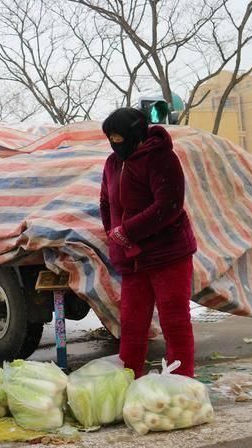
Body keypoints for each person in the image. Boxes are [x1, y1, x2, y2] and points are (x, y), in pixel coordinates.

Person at [99, 107, 197, 378]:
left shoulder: (161, 158)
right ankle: (128, 380)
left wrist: (128, 231)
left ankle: (181, 382)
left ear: (135, 134)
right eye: (110, 139)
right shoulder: (112, 163)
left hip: (168, 254)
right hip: (132, 259)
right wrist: (114, 233)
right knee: (132, 323)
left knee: (174, 320)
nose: (115, 144)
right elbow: (106, 202)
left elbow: (169, 205)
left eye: (119, 138)